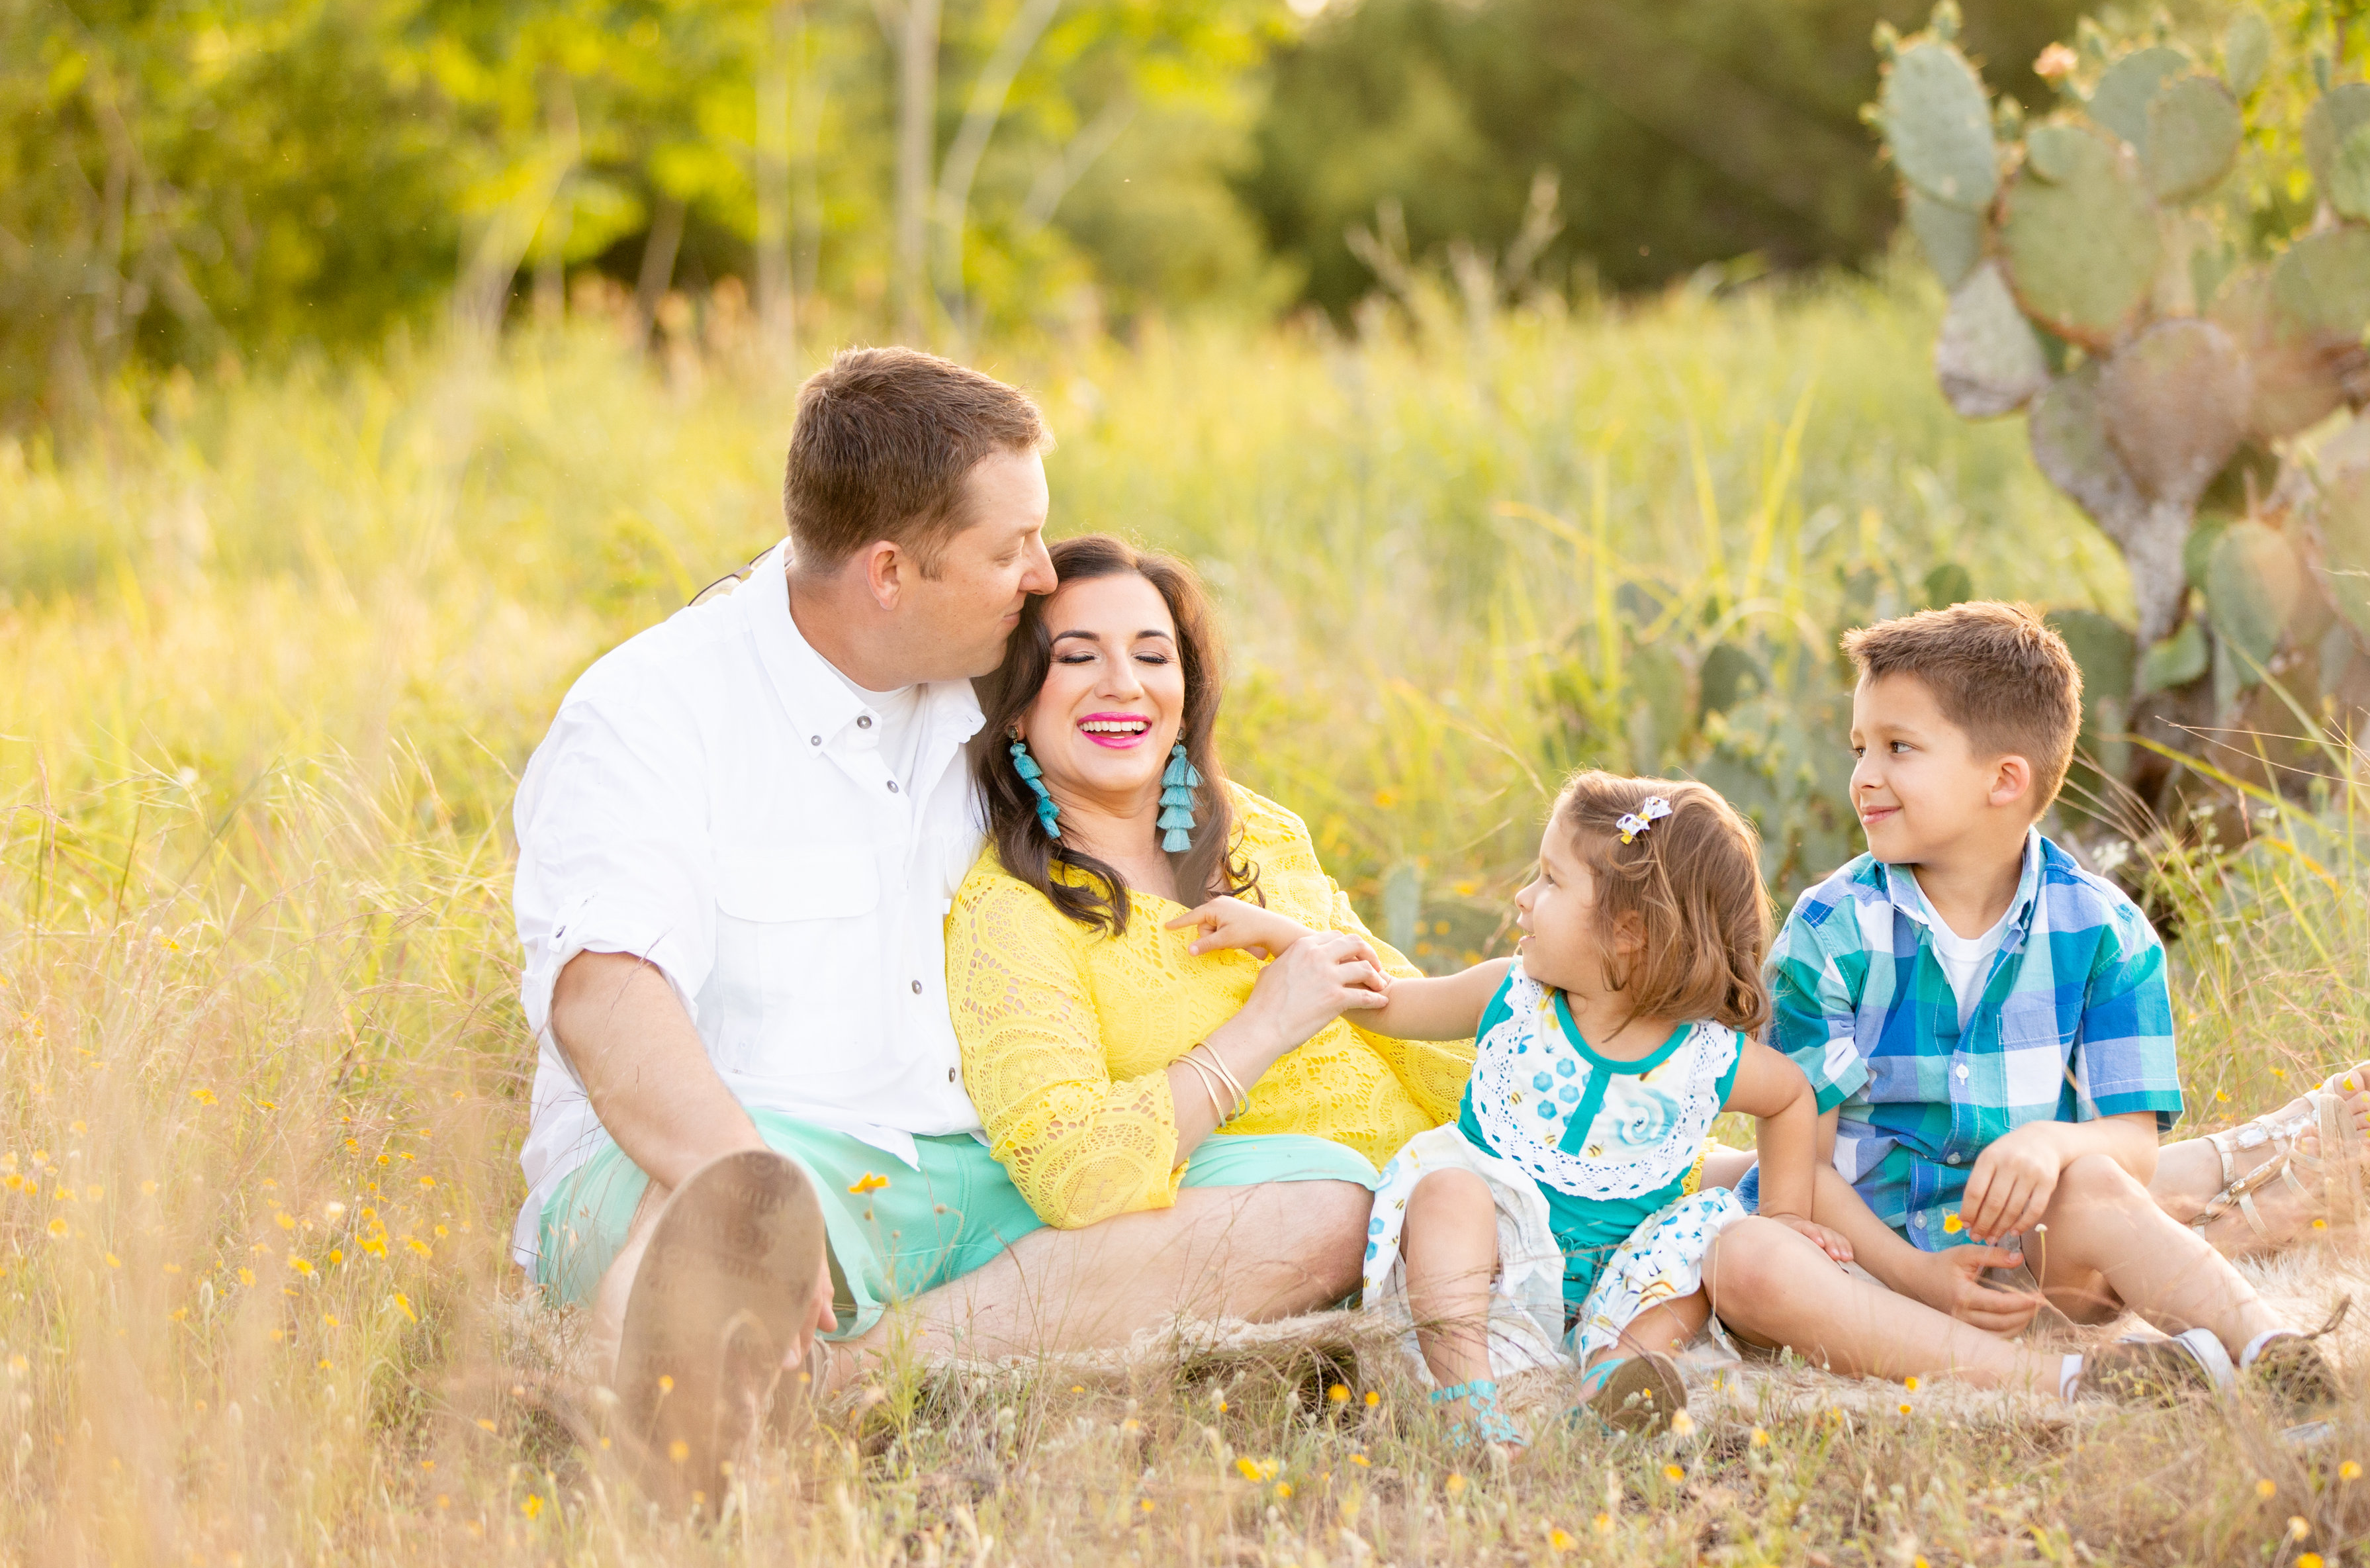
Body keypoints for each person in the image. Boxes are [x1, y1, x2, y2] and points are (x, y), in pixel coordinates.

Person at [506, 349, 1367, 1508]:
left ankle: (862, 1375)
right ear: (888, 573)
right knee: (699, 1222)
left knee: (1328, 1208)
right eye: (1011, 549)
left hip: (983, 1168)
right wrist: (750, 1185)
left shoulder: (986, 683)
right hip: (751, 1149)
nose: (1041, 573)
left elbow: (1143, 768)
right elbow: (607, 996)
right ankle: (662, 1433)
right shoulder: (651, 713)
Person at [1708, 602, 2370, 1410]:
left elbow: (2128, 1145)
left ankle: (2274, 1351)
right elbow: (1803, 1167)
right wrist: (1915, 1272)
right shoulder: (1831, 931)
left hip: (2027, 1263)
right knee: (1744, 1259)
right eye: (1859, 747)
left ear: (2004, 779)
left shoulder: (2105, 931)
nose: (1863, 776)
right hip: (1868, 1265)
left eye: (1898, 748)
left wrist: (2048, 1142)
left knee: (2094, 1183)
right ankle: (2087, 1377)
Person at [929, 535, 1469, 1367]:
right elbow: (1070, 1171)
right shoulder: (1012, 912)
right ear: (1014, 703)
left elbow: (1395, 1009)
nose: (1125, 684)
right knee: (1334, 1206)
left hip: (1439, 1196)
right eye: (1077, 658)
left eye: (1154, 655)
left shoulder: (1256, 832)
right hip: (1287, 1222)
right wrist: (1264, 1024)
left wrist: (1562, 1113)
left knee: (1713, 1183)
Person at [1185, 773, 1841, 1457]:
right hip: (1492, 1278)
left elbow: (1792, 1095)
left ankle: (1618, 1377)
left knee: (1698, 1234)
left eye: (1551, 881)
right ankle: (1468, 1393)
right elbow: (1384, 1000)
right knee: (1447, 1192)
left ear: (1628, 933)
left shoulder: (1704, 1058)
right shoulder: (1512, 997)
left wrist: (1786, 1214)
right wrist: (1283, 937)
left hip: (1617, 1282)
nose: (1523, 898)